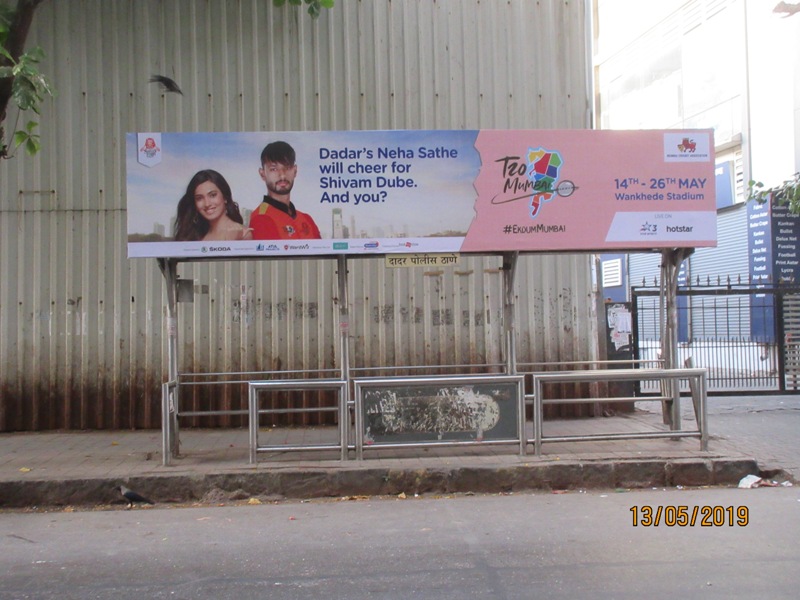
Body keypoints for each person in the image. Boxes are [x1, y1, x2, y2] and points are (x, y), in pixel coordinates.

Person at [249, 141, 322, 240]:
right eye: (274, 169)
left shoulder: (307, 219)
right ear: (262, 174)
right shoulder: (261, 218)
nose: (282, 175)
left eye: (287, 168)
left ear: (295, 171)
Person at [173, 169, 253, 241]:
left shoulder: (240, 233)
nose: (207, 204)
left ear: (225, 197)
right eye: (199, 198)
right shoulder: (196, 235)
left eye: (213, 195)